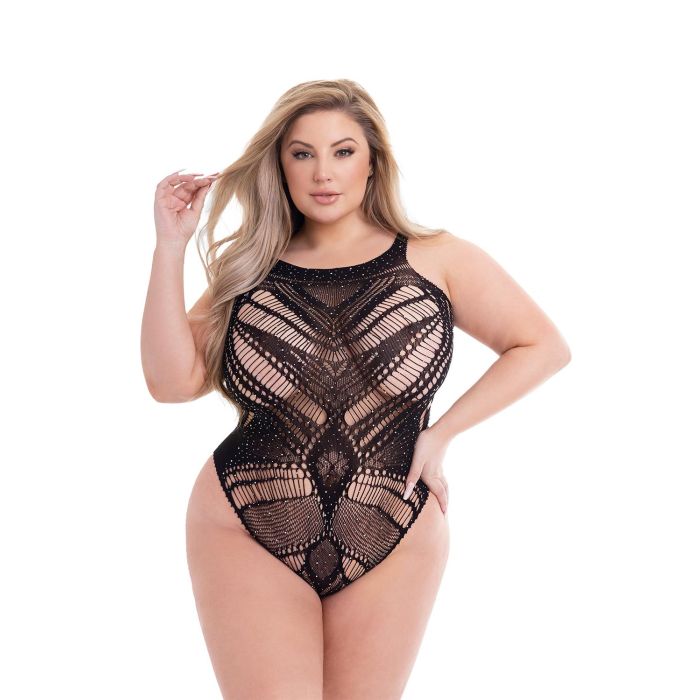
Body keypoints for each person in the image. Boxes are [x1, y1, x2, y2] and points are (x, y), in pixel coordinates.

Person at [141, 79, 571, 699]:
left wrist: (441, 435)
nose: (323, 172)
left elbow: (541, 346)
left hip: (392, 517)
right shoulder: (250, 267)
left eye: (343, 152)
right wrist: (171, 246)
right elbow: (170, 383)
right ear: (280, 165)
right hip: (245, 519)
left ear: (373, 162)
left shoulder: (437, 257)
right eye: (302, 153)